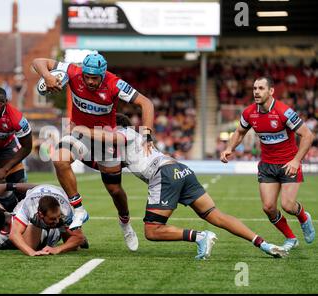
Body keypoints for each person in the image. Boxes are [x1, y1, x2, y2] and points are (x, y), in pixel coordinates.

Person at [72, 113, 288, 259]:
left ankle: (200, 237)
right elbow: (101, 162)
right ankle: (263, 244)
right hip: (180, 169)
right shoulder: (131, 142)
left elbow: (109, 138)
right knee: (216, 215)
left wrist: (79, 129)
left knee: (152, 231)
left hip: (163, 175)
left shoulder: (127, 134)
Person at [32, 53, 155, 251]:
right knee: (59, 159)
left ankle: (125, 223)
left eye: (94, 78)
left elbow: (146, 103)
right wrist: (47, 76)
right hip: (78, 133)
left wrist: (147, 134)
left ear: (103, 75)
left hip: (104, 138)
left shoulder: (115, 84)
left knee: (115, 190)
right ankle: (79, 209)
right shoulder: (73, 71)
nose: (89, 81)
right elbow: (38, 61)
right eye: (87, 77)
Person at [220, 76, 315, 251]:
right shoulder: (249, 112)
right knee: (269, 207)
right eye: (255, 88)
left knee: (287, 205)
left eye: (261, 88)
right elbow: (239, 132)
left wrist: (296, 161)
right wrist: (229, 148)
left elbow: (308, 135)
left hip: (289, 164)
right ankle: (291, 238)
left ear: (271, 91)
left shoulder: (283, 112)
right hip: (267, 165)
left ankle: (303, 217)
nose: (256, 92)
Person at [0, 183, 89, 256]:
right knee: (29, 243)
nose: (56, 220)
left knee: (74, 243)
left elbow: (79, 237)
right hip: (32, 216)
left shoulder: (65, 211)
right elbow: (14, 235)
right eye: (53, 218)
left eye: (57, 217)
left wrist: (58, 249)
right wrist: (32, 252)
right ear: (40, 214)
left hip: (56, 194)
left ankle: (68, 231)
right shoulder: (27, 208)